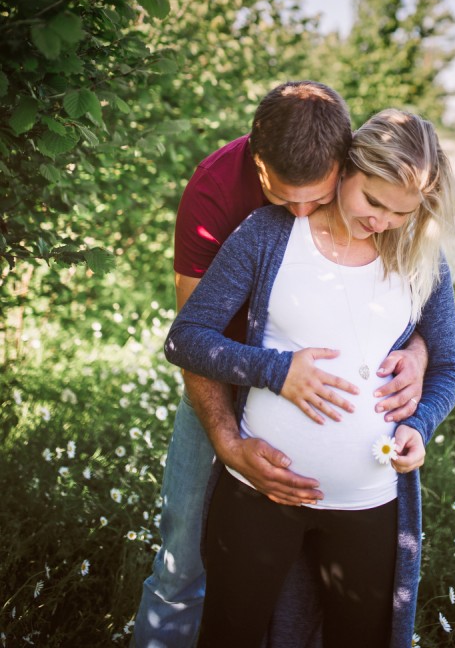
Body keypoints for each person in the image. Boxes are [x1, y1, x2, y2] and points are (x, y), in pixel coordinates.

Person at [132, 83, 430, 648]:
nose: (298, 212)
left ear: (345, 164)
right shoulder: (218, 192)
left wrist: (416, 355)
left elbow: (416, 320)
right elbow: (195, 337)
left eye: (314, 198)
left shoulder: (382, 212)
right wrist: (228, 437)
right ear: (256, 161)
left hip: (355, 487)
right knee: (184, 558)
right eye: (283, 196)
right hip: (223, 374)